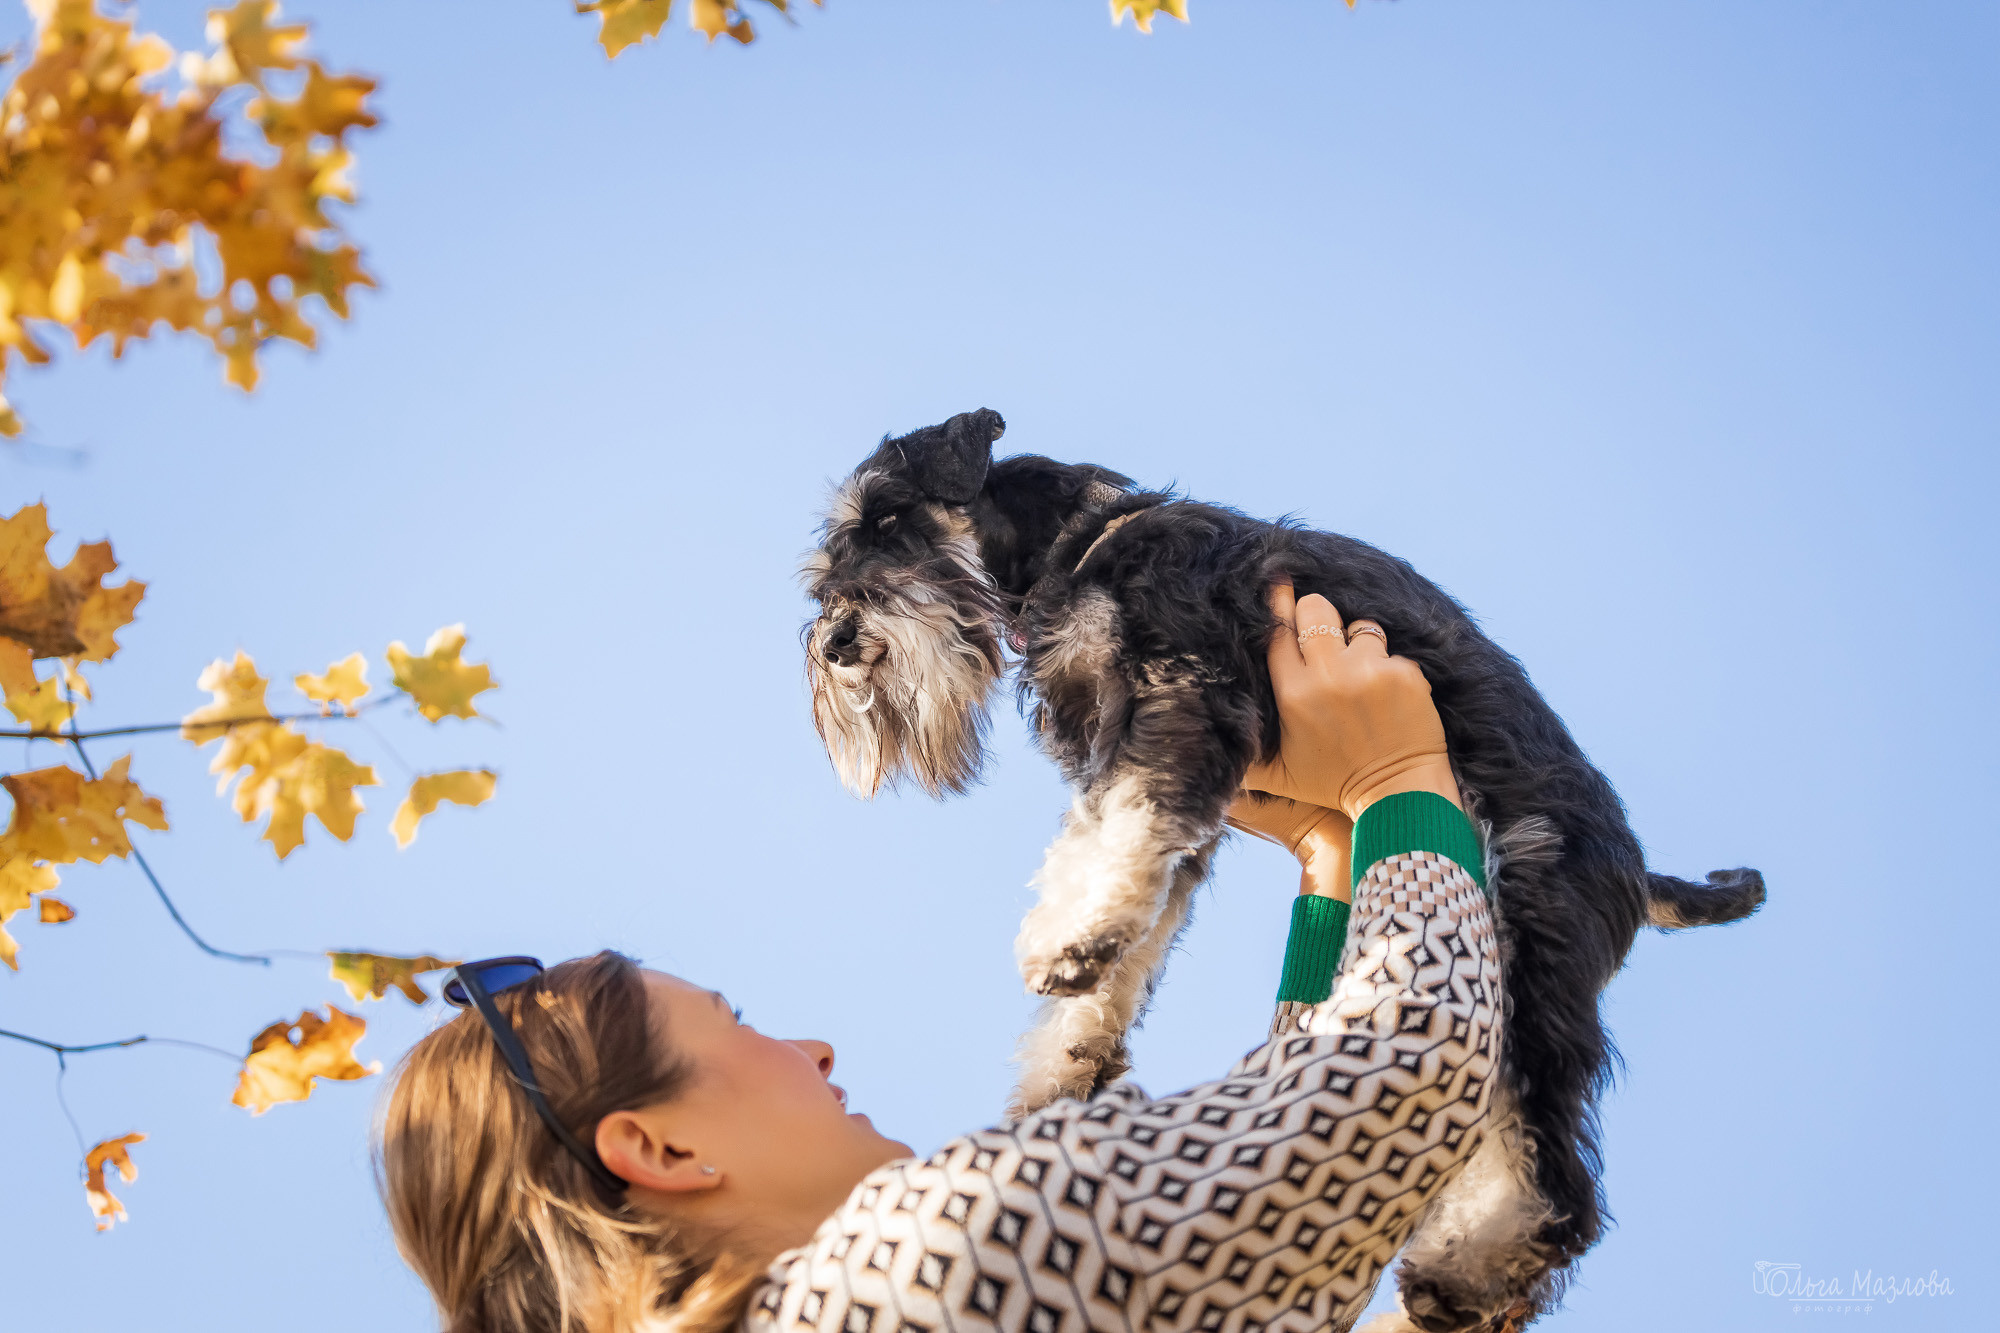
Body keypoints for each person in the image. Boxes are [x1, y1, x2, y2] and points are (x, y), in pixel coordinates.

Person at [376, 586, 1501, 1333]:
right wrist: (1397, 778)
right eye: (737, 1027)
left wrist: (1332, 863)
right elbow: (1390, 1092)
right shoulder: (922, 1262)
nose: (809, 1047)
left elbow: (1275, 1197)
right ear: (658, 1146)